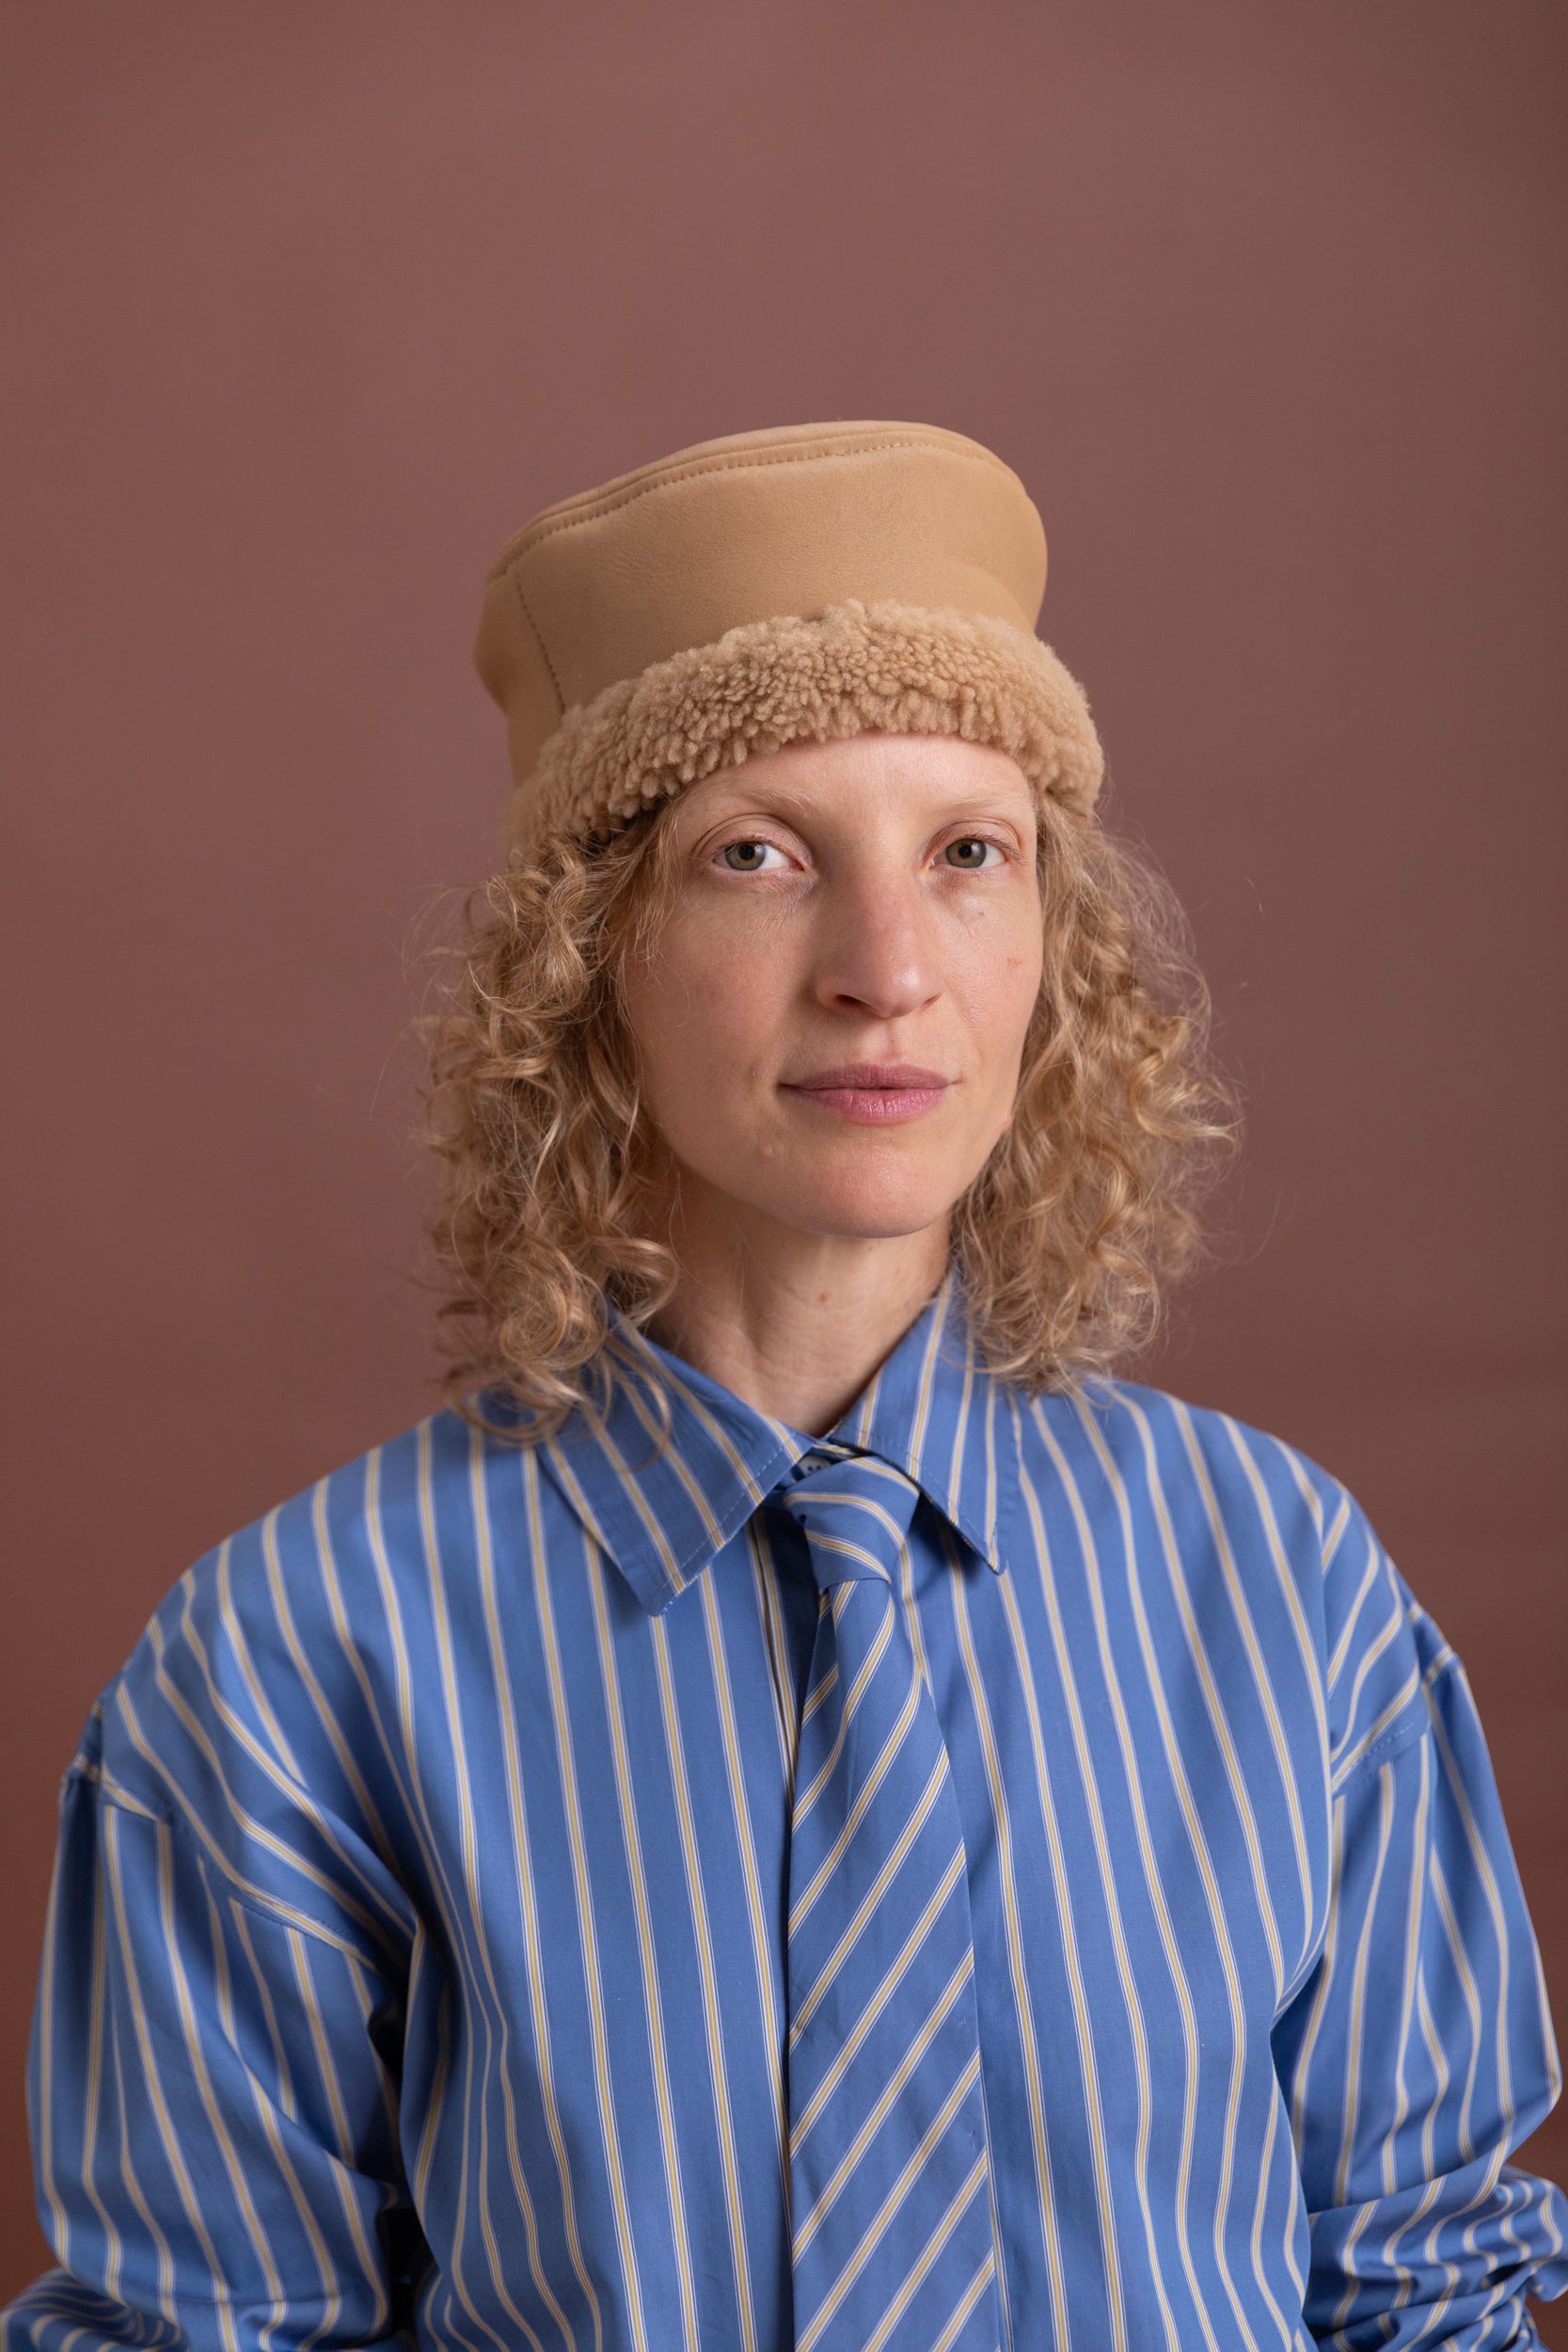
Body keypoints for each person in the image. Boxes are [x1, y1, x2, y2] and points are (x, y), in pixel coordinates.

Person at [3, 419, 1563, 2352]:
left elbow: (1423, 2294)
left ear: (1051, 946)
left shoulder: (1289, 1585)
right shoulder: (292, 1666)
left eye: (969, 853)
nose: (885, 968)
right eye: (757, 855)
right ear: (586, 959)